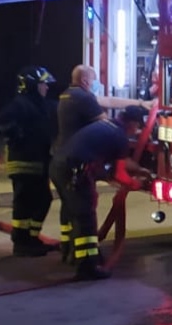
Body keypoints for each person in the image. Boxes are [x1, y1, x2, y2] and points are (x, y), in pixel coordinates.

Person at [51, 64, 150, 261]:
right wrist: (137, 184)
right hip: (76, 169)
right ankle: (88, 262)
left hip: (59, 162)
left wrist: (138, 169)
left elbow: (119, 161)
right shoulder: (91, 106)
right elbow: (120, 173)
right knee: (86, 215)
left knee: (72, 210)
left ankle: (69, 250)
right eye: (138, 127)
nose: (138, 132)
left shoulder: (68, 95)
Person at [0, 66, 58, 256]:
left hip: (38, 162)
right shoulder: (21, 103)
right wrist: (19, 137)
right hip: (23, 163)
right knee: (25, 202)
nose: (46, 87)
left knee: (43, 199)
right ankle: (21, 242)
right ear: (32, 85)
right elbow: (2, 121)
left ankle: (31, 237)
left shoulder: (41, 104)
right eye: (43, 84)